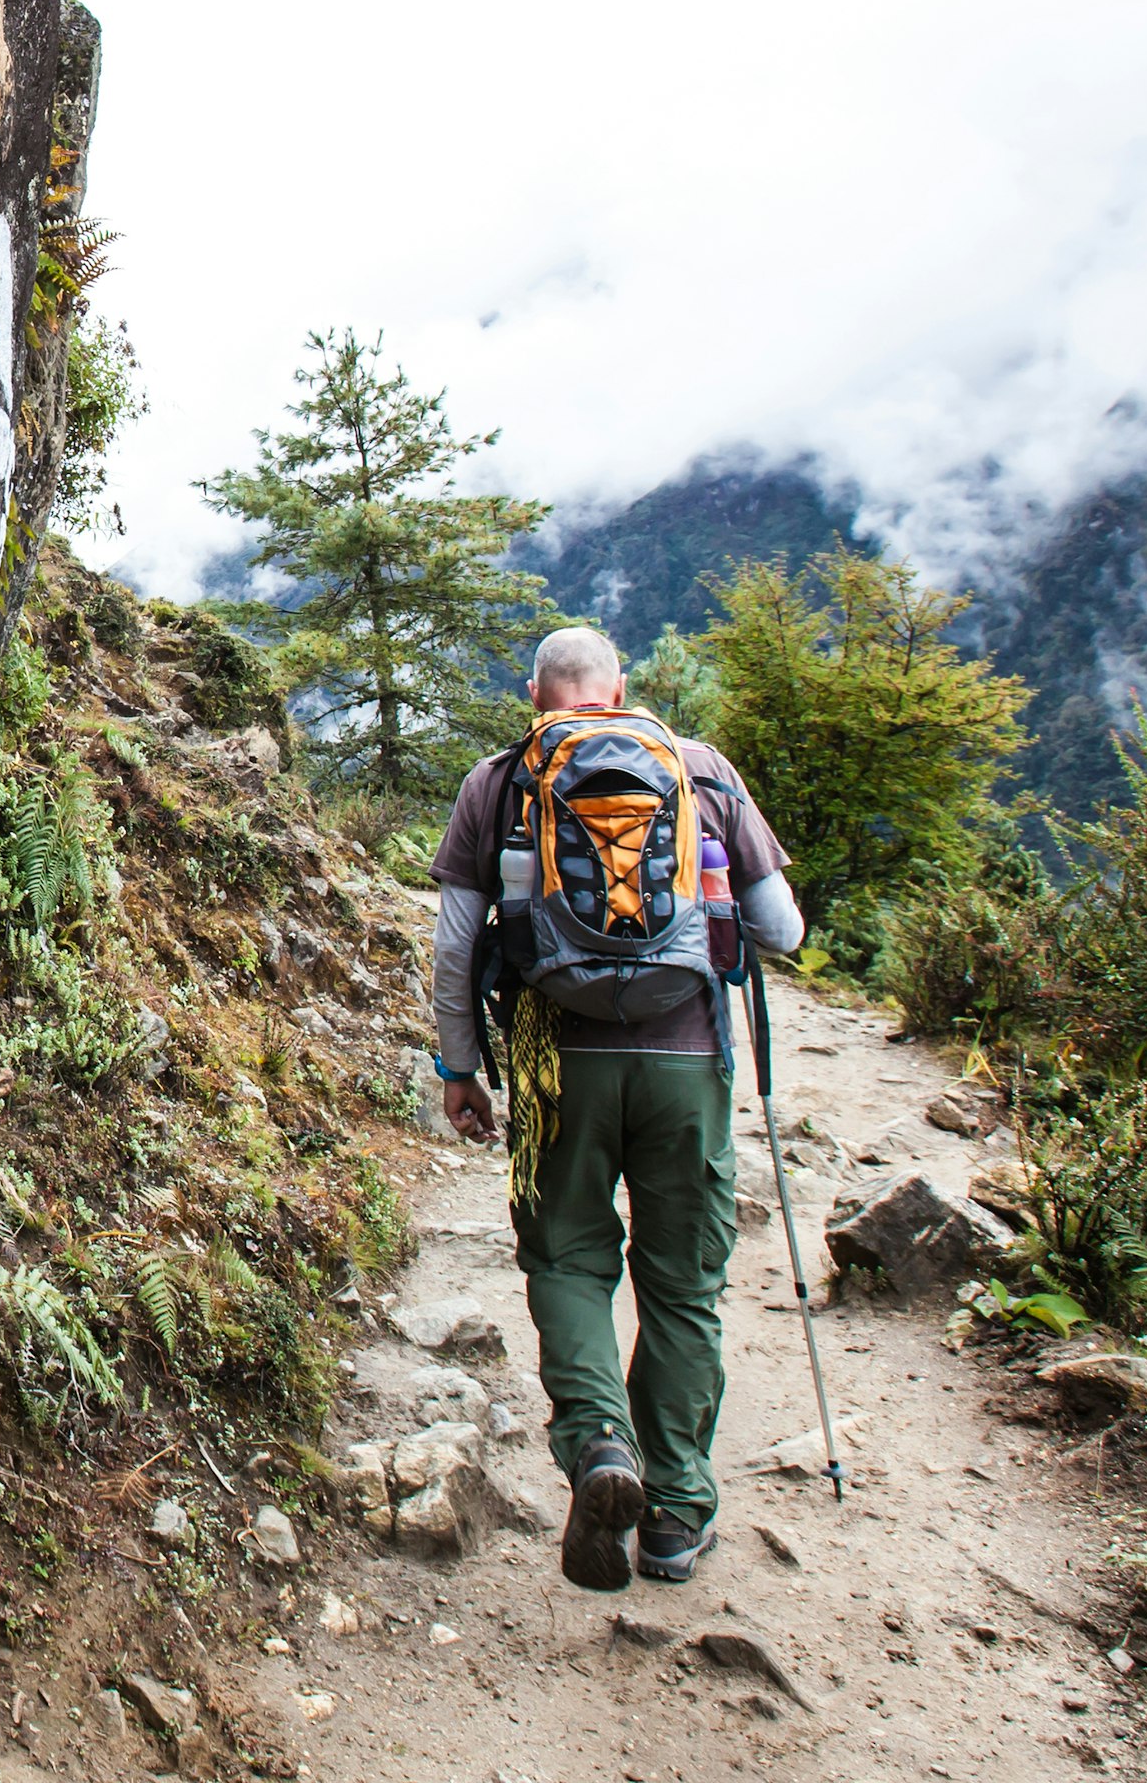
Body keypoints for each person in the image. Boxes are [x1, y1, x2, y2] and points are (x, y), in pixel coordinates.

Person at [428, 625, 804, 1590]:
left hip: (559, 1064)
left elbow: (457, 947)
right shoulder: (700, 769)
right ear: (621, 689)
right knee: (682, 1284)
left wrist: (461, 1068)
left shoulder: (500, 780)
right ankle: (677, 1516)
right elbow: (781, 930)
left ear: (537, 693)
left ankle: (599, 1444)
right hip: (686, 1065)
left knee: (566, 1254)